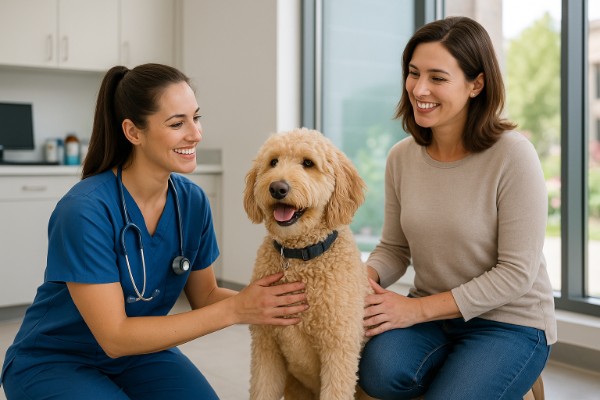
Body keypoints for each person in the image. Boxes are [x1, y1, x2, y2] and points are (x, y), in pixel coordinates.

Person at [0, 63, 308, 400]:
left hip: (139, 354)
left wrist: (275, 305)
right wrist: (236, 310)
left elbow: (205, 296)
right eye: (177, 123)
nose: (195, 134)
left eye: (196, 117)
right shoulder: (85, 210)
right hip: (56, 359)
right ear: (133, 132)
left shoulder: (191, 201)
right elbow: (114, 337)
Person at [358, 16, 556, 400]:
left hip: (509, 322)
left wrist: (415, 311)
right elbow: (395, 248)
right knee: (377, 374)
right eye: (413, 73)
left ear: (476, 84)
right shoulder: (402, 157)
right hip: (434, 319)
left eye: (437, 77)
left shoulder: (514, 155)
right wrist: (363, 277)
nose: (419, 88)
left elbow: (516, 273)